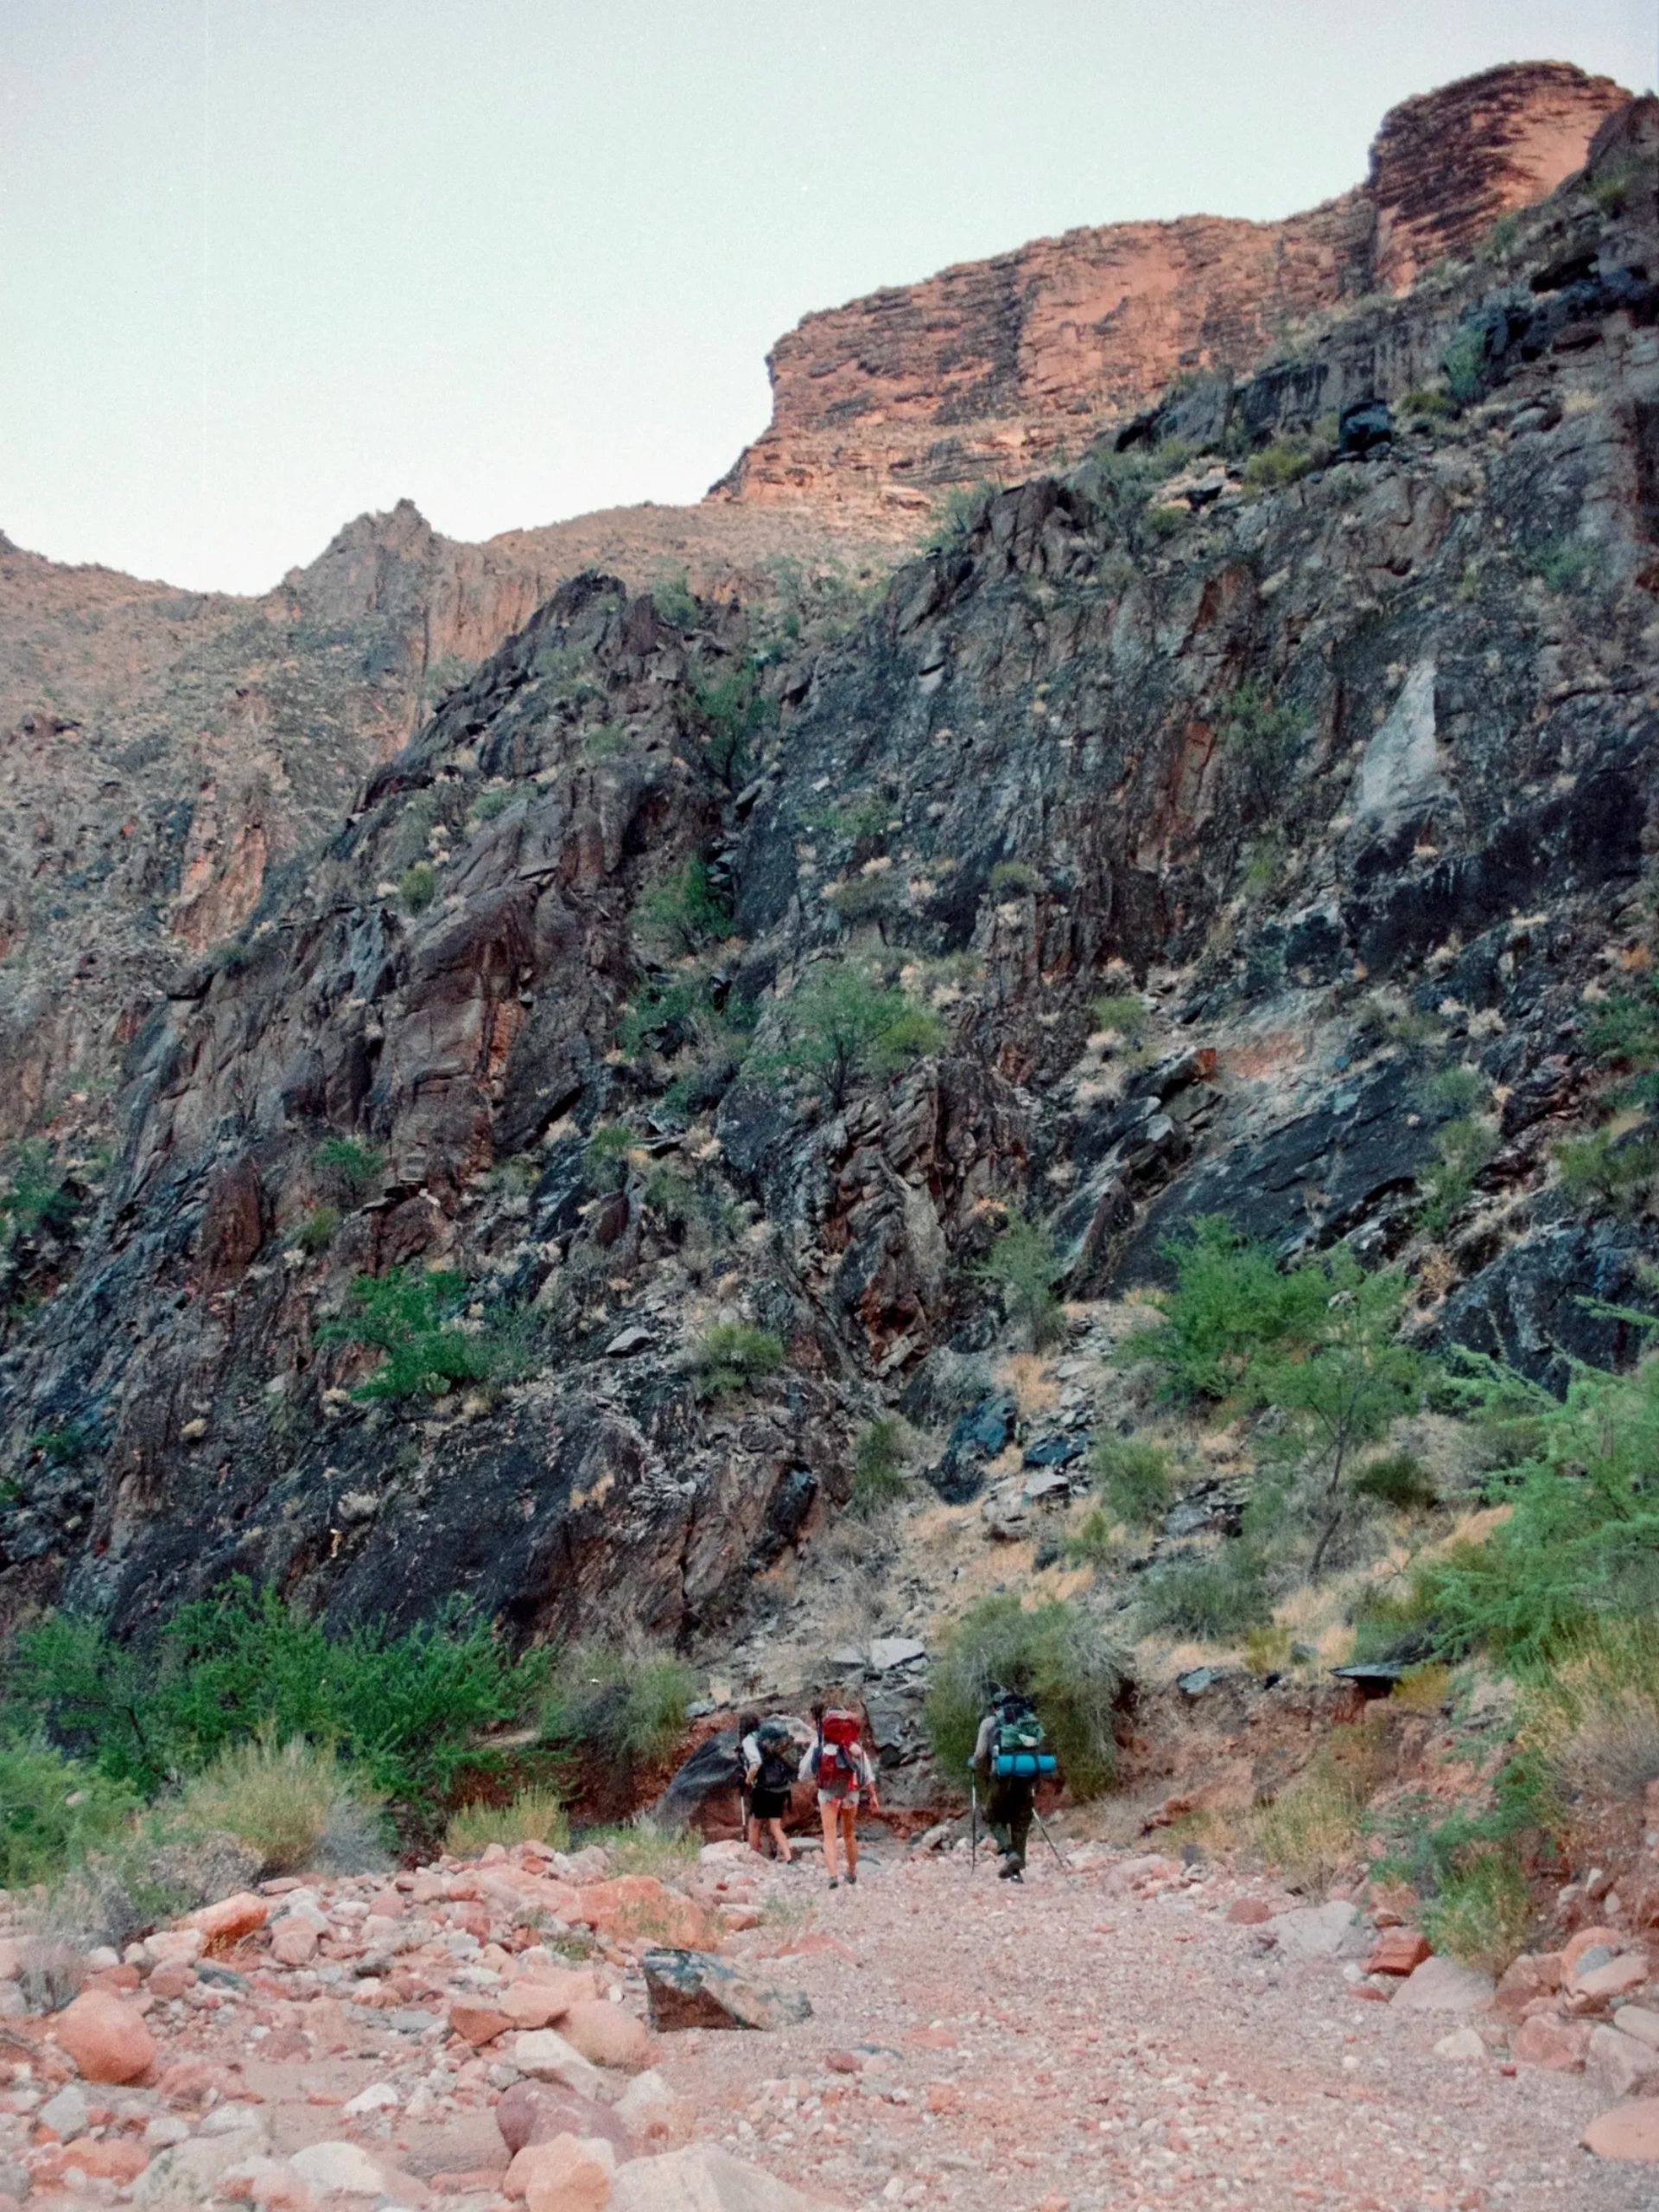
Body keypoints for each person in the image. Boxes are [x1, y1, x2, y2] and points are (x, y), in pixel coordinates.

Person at [800, 1688, 879, 1888]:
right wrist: (872, 1795)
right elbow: (866, 1771)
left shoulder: (820, 1741)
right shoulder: (852, 1744)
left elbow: (804, 1772)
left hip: (827, 1794)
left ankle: (833, 1876)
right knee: (849, 1834)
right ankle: (851, 1873)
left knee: (829, 1835)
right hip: (850, 1793)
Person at [972, 1687, 1047, 1880]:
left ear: (994, 1706)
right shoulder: (1028, 1721)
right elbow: (1038, 1751)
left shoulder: (989, 1722)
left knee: (993, 1816)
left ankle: (1010, 1853)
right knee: (1021, 1821)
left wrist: (982, 1773)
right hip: (1028, 1776)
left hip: (1001, 1777)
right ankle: (1017, 1872)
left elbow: (980, 1755)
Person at [743, 1713, 798, 1864]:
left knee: (755, 1823)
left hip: (764, 1788)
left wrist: (748, 1780)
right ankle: (789, 1857)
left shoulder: (750, 1740)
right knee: (775, 1826)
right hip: (781, 1786)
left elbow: (756, 1763)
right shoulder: (769, 1738)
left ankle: (753, 1857)